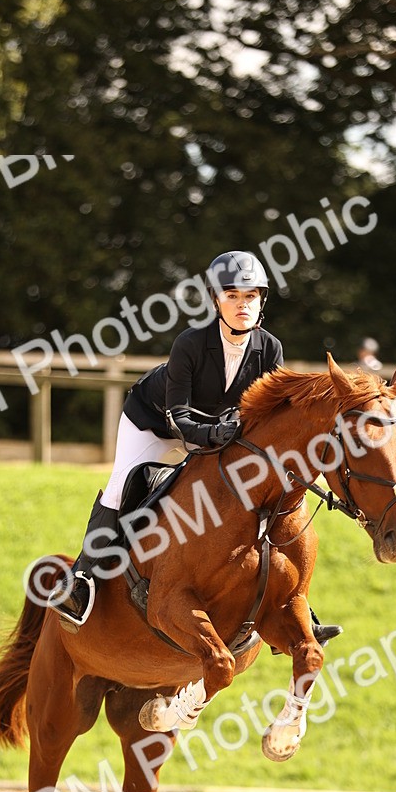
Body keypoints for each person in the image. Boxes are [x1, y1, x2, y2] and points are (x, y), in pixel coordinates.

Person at [49, 251, 341, 650]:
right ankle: (81, 581)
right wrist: (214, 432)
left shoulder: (269, 348)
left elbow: (268, 416)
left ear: (261, 302)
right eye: (233, 296)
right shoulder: (190, 343)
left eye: (251, 297)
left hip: (219, 432)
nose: (242, 305)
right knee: (122, 487)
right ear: (216, 300)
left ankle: (289, 606)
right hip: (155, 423)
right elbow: (178, 415)